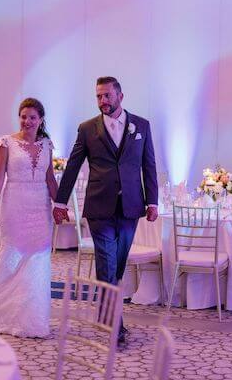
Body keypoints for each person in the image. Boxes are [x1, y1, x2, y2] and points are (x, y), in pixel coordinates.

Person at [53, 76, 158, 344]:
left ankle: (107, 316)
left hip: (131, 207)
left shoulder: (141, 126)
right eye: (98, 96)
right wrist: (60, 202)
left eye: (107, 96)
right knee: (107, 264)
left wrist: (153, 201)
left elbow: (149, 166)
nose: (102, 101)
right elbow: (73, 166)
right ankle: (114, 326)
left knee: (118, 266)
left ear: (120, 96)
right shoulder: (87, 128)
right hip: (99, 207)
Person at [0, 98, 57, 338]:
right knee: (10, 257)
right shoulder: (6, 143)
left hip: (41, 207)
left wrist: (60, 205)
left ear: (41, 120)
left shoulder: (47, 144)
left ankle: (31, 318)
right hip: (15, 204)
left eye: (32, 117)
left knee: (38, 260)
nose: (27, 121)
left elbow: (50, 179)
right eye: (23, 116)